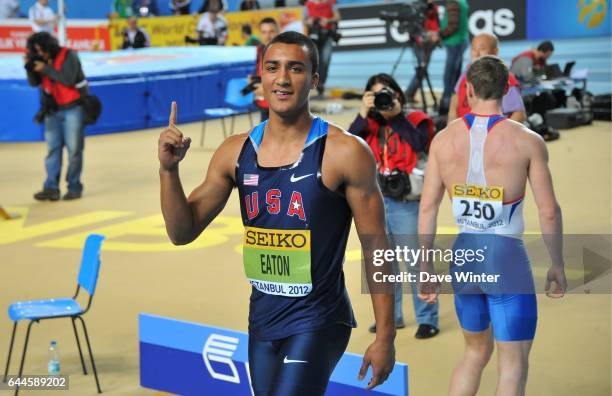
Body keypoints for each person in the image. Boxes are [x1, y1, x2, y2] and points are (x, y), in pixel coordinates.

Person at [158, 31, 396, 395]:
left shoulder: (345, 153)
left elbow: (377, 247)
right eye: (273, 68)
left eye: (295, 69)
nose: (282, 78)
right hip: (263, 321)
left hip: (319, 319)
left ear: (314, 78)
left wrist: (385, 335)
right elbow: (182, 231)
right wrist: (169, 171)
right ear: (262, 76)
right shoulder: (235, 152)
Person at [418, 55, 567, 395]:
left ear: (467, 89)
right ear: (507, 90)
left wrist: (425, 264)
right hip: (505, 258)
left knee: (474, 353)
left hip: (464, 255)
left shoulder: (442, 139)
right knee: (512, 365)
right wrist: (557, 263)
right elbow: (549, 212)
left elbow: (427, 206)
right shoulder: (528, 140)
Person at [348, 73, 440, 339]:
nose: (382, 100)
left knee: (416, 262)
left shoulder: (416, 119)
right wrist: (364, 113)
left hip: (407, 202)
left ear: (398, 94)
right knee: (383, 265)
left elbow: (420, 143)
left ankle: (427, 319)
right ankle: (391, 317)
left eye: (386, 93)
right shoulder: (369, 125)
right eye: (375, 95)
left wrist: (396, 115)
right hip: (373, 201)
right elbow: (347, 144)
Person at [26, 32, 89, 201]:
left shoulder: (69, 55)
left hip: (72, 108)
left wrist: (45, 69)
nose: (40, 54)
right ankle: (51, 188)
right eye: (36, 51)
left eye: (41, 50)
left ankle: (74, 186)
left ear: (49, 46)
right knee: (53, 150)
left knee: (74, 150)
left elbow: (68, 79)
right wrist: (30, 68)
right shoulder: (40, 60)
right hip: (52, 110)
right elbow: (34, 83)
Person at [448, 33, 526, 123]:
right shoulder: (466, 73)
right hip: (464, 131)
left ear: (495, 51)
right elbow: (455, 96)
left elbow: (519, 114)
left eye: (482, 49)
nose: (476, 54)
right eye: (473, 49)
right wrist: (452, 120)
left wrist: (500, 134)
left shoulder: (504, 77)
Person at [436, 0, 469, 115]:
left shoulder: (453, 2)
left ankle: (446, 102)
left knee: (449, 74)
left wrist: (439, 35)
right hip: (461, 40)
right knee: (455, 73)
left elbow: (453, 26)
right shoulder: (461, 2)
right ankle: (454, 101)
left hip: (454, 42)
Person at [404, 0, 440, 104]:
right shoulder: (418, 6)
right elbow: (415, 25)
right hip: (420, 43)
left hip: (430, 42)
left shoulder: (432, 6)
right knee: (422, 70)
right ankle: (409, 94)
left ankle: (409, 94)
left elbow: (435, 21)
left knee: (422, 70)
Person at [304, 0, 340, 97]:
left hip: (327, 35)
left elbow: (337, 17)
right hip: (314, 35)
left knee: (326, 59)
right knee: (315, 60)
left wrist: (328, 20)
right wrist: (310, 22)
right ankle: (315, 83)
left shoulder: (330, 3)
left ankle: (321, 83)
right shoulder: (308, 4)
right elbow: (304, 21)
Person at [251, 17, 279, 122]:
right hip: (263, 103)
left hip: (280, 104)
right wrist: (251, 86)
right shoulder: (259, 50)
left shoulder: (286, 53)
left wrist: (266, 90)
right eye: (264, 32)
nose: (267, 36)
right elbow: (259, 75)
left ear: (278, 32)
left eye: (271, 31)